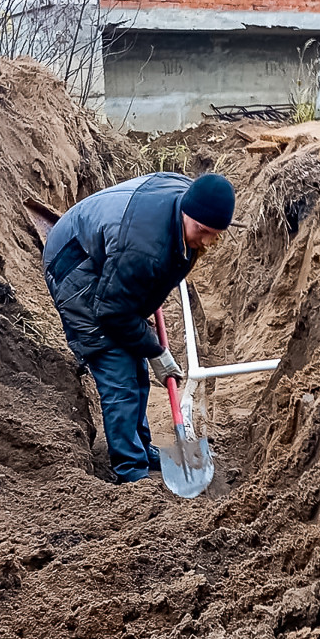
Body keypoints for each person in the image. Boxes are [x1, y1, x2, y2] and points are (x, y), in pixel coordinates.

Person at [42, 171, 236, 484]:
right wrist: (156, 350)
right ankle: (129, 469)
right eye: (202, 230)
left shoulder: (188, 204)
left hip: (110, 259)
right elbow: (112, 314)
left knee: (136, 369)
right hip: (74, 266)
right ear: (187, 211)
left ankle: (142, 448)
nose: (207, 241)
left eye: (215, 234)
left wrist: (145, 345)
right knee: (116, 367)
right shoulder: (143, 248)